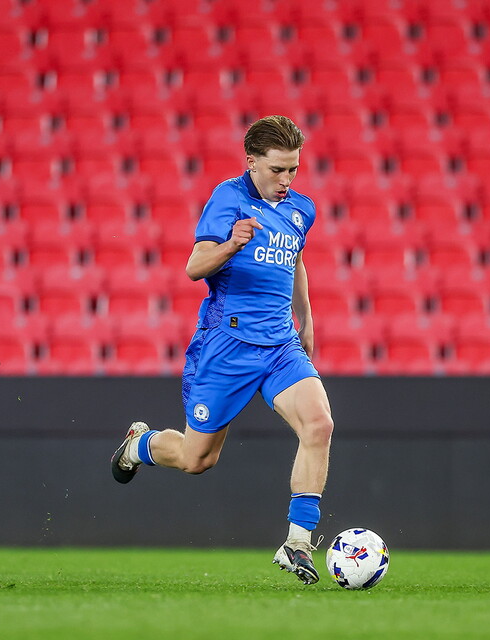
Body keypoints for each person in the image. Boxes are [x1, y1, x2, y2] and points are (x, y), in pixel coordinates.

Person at [110, 116, 333, 585]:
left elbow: (295, 260)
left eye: (294, 169)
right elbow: (194, 267)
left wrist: (307, 317)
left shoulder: (301, 209)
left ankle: (297, 543)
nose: (287, 180)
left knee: (319, 424)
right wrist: (231, 243)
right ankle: (139, 444)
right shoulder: (227, 199)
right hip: (226, 345)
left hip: (280, 344)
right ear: (251, 162)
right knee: (197, 460)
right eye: (278, 170)